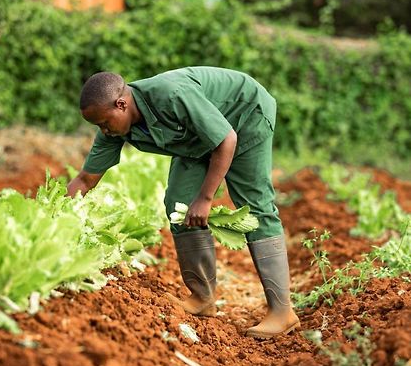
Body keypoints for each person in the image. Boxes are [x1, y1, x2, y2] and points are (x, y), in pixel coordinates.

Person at [67, 66, 300, 339]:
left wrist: (205, 198)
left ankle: (282, 312)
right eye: (98, 126)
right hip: (198, 137)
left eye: (104, 122)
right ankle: (202, 297)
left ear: (121, 104)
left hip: (244, 115)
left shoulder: (171, 95)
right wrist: (59, 216)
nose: (103, 130)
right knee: (179, 206)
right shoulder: (113, 125)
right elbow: (85, 179)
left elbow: (226, 139)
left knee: (255, 204)